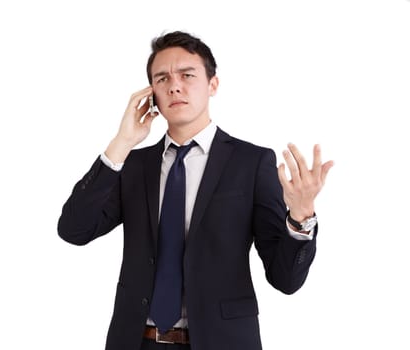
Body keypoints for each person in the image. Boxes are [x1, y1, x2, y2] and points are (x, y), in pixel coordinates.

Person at [57, 31, 333, 350]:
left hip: (222, 342)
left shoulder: (252, 162)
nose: (175, 85)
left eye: (187, 75)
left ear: (212, 84)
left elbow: (285, 280)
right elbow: (74, 230)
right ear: (152, 95)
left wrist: (300, 218)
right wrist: (121, 144)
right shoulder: (133, 165)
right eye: (162, 79)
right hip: (137, 341)